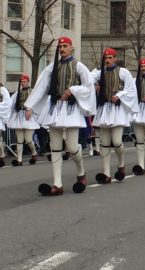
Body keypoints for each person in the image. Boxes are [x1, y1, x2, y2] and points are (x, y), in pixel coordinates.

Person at [23, 37, 94, 196]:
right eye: (60, 46)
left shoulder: (79, 66)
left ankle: (81, 172)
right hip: (55, 108)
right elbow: (41, 87)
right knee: (55, 147)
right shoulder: (51, 68)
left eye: (65, 46)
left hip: (71, 108)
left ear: (71, 48)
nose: (62, 49)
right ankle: (57, 184)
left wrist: (72, 90)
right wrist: (30, 106)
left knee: (72, 147)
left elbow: (88, 87)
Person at [90, 48, 137, 183]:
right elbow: (87, 78)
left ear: (115, 58)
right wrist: (95, 84)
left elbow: (130, 89)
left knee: (116, 142)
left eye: (110, 57)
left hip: (117, 110)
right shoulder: (100, 73)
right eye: (106, 58)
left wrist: (119, 95)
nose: (108, 60)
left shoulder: (123, 72)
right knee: (105, 143)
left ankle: (121, 163)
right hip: (105, 109)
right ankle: (106, 173)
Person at [5, 74, 40, 166]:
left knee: (28, 139)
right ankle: (19, 159)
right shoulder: (18, 92)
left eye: (24, 81)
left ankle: (34, 152)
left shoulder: (32, 91)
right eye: (21, 82)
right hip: (19, 115)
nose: (23, 83)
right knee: (19, 139)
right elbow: (10, 102)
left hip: (28, 115)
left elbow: (37, 102)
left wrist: (30, 110)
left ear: (28, 81)